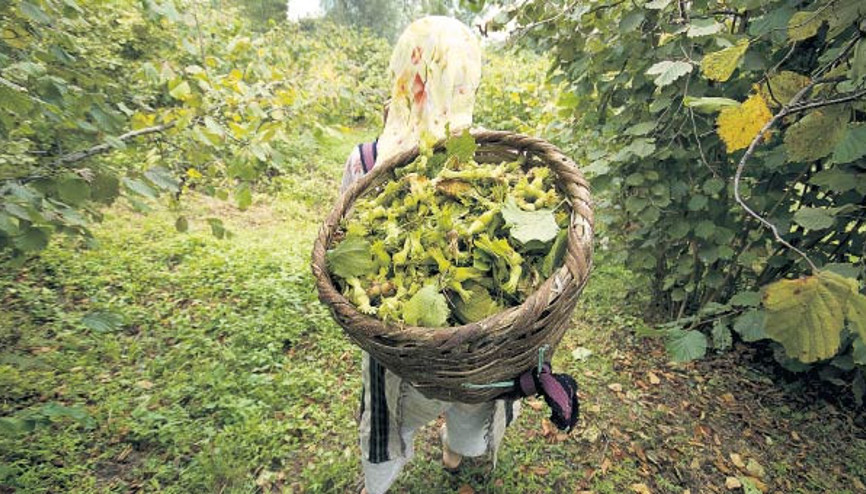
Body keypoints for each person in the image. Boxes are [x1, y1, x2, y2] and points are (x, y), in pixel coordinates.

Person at [338, 16, 521, 494]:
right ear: (467, 82)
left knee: (391, 413)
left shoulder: (366, 159)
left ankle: (382, 480)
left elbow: (344, 247)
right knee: (470, 400)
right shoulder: (480, 154)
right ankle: (454, 454)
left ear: (403, 75)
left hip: (398, 347)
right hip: (475, 346)